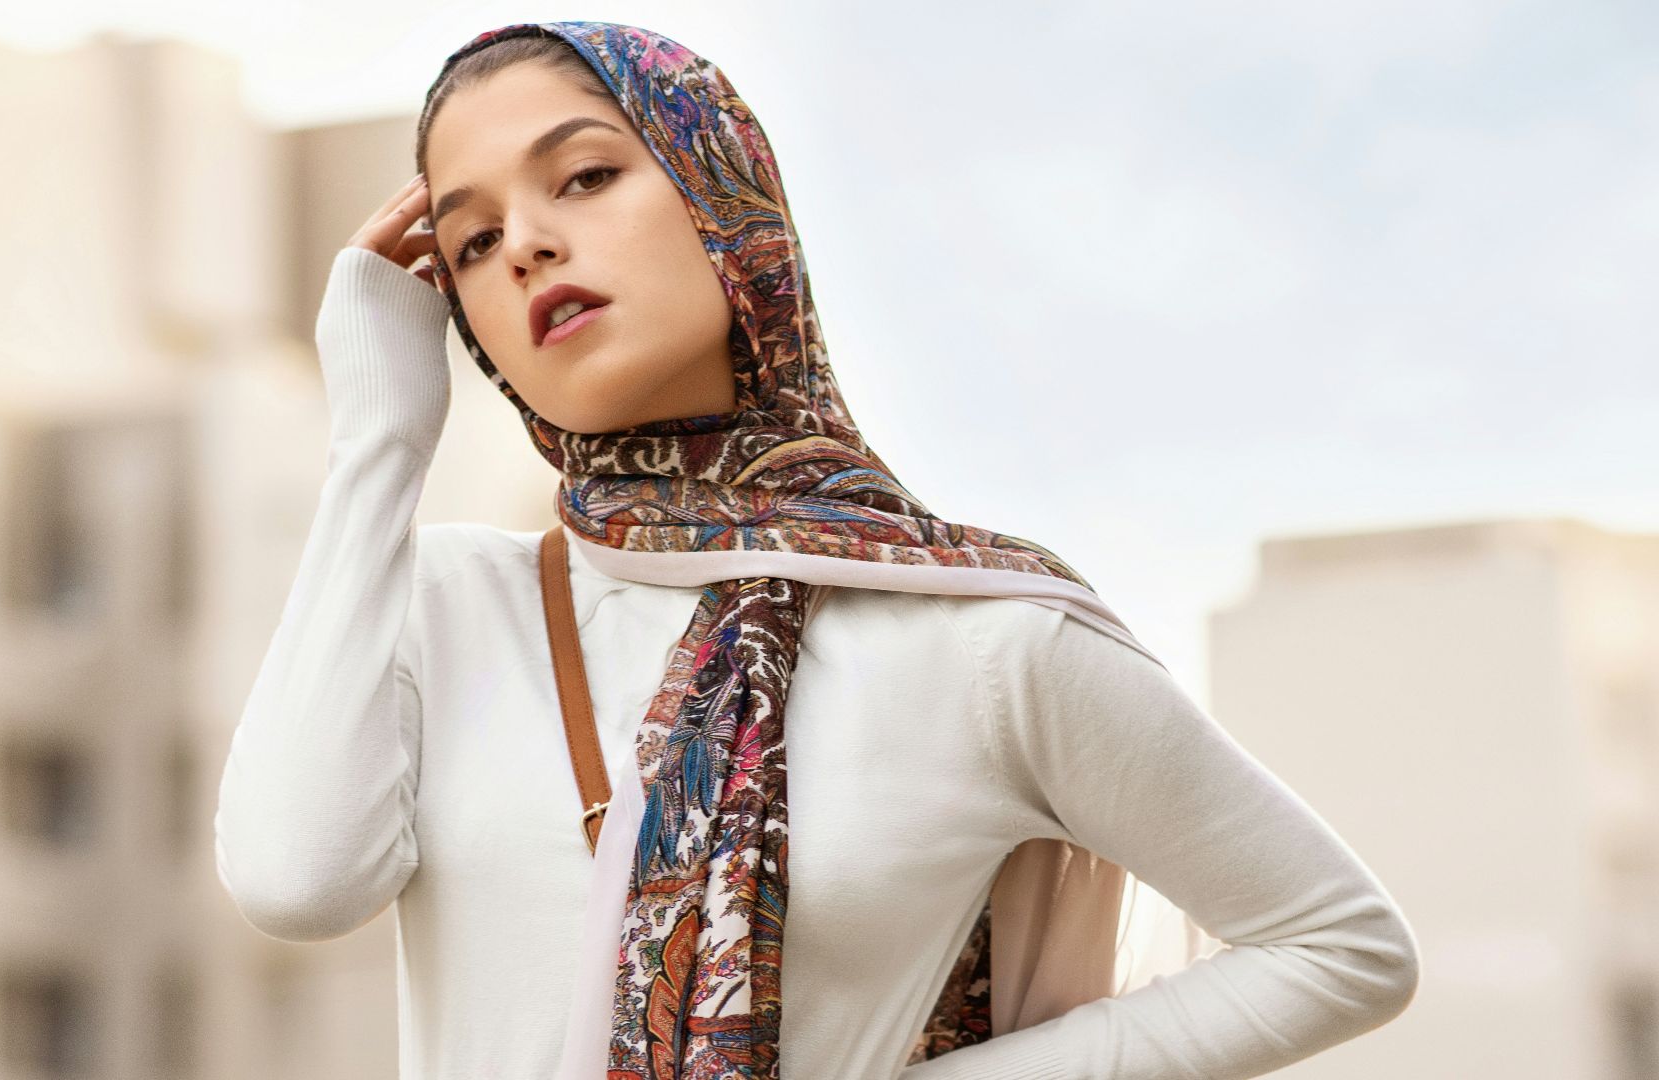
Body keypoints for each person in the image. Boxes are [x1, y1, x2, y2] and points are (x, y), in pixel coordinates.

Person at [214, 20, 1420, 1080]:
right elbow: (297, 881)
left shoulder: (988, 646)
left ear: (721, 192)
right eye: (472, 241)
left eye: (583, 176)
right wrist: (379, 440)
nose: (525, 241)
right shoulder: (447, 601)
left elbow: (1342, 947)